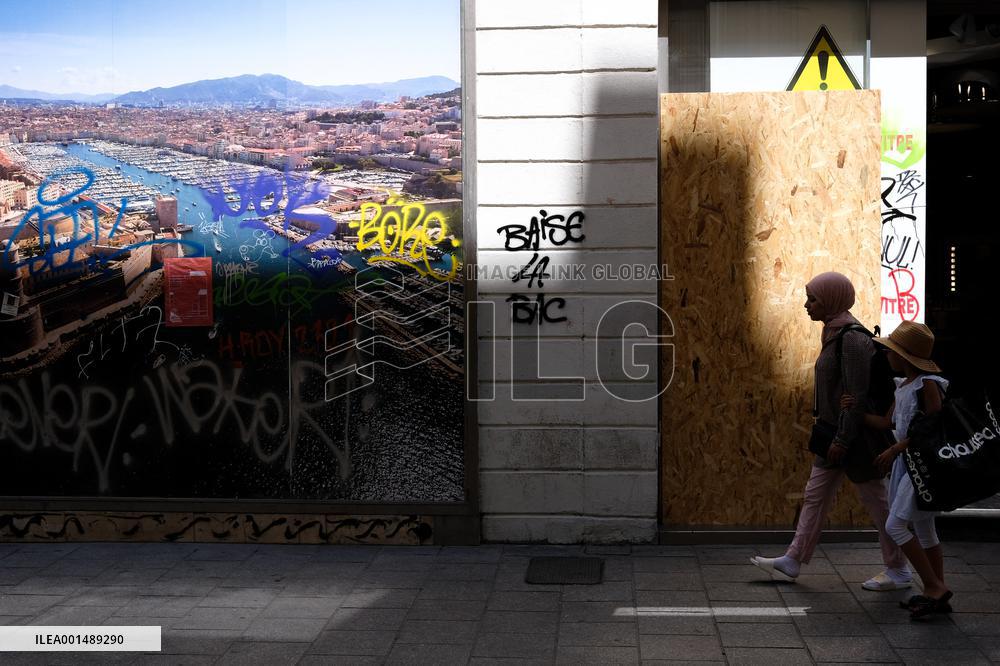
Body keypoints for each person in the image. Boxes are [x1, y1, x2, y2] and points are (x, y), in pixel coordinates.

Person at [750, 271, 910, 590]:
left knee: (878, 505)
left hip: (851, 438)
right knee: (815, 496)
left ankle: (899, 570)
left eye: (813, 299)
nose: (806, 305)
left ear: (833, 301)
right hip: (832, 433)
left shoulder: (850, 339)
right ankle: (793, 559)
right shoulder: (833, 333)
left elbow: (856, 395)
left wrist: (842, 438)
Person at [843, 321, 952, 618]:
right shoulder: (903, 387)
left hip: (921, 465)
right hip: (907, 466)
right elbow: (887, 423)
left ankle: (932, 586)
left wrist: (895, 449)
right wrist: (855, 410)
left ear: (904, 356)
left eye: (891, 351)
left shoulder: (928, 385)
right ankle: (938, 588)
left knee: (895, 525)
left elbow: (934, 428)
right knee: (926, 529)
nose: (887, 355)